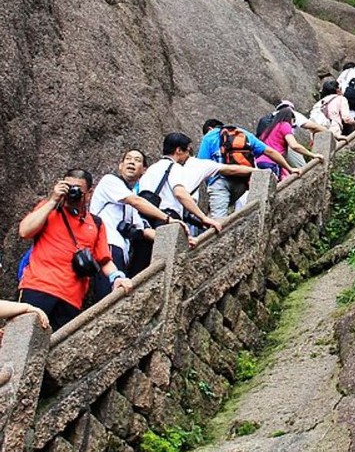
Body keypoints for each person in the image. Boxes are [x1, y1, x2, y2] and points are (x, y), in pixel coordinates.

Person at [17, 169, 134, 332]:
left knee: (57, 350)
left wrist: (118, 277)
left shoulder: (97, 223)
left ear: (89, 193)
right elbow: (24, 231)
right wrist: (53, 200)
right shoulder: (48, 209)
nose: (72, 192)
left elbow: (105, 260)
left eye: (77, 189)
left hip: (71, 298)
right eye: (68, 187)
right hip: (38, 287)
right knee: (23, 338)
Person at [89, 149, 176, 298]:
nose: (131, 162)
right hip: (107, 247)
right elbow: (135, 201)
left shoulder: (131, 203)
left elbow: (144, 231)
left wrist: (177, 238)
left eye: (137, 160)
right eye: (128, 159)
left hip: (121, 254)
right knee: (106, 297)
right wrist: (168, 219)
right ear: (120, 166)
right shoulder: (110, 181)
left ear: (144, 170)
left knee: (115, 296)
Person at [142, 133, 254, 234]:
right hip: (168, 218)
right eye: (187, 151)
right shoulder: (175, 168)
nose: (188, 154)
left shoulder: (151, 169)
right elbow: (180, 193)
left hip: (146, 219)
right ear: (179, 150)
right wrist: (203, 218)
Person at [198, 120, 299, 216]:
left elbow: (202, 164)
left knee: (219, 217)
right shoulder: (242, 133)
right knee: (245, 211)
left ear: (210, 128)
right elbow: (270, 151)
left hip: (220, 182)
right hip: (243, 182)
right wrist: (289, 168)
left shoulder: (209, 137)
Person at [255, 105, 325, 179]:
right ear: (291, 118)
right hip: (271, 163)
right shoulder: (285, 125)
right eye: (293, 121)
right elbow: (294, 146)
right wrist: (313, 155)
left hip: (259, 162)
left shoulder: (269, 129)